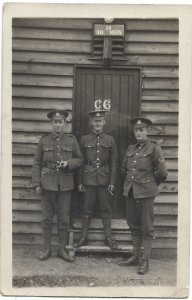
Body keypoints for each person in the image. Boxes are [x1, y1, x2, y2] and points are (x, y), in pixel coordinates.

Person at [32, 109, 83, 262]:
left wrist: (68, 163)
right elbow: (37, 163)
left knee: (63, 218)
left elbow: (80, 159)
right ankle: (47, 249)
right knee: (47, 218)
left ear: (65, 123)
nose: (58, 125)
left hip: (65, 184)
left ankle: (61, 249)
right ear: (51, 123)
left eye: (60, 122)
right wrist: (36, 183)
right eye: (55, 122)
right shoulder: (44, 140)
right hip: (47, 184)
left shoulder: (71, 140)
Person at [119, 117, 168, 274]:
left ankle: (145, 261)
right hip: (131, 191)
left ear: (146, 131)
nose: (139, 133)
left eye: (141, 130)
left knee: (147, 227)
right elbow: (123, 170)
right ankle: (135, 256)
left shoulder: (154, 148)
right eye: (136, 130)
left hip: (146, 193)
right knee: (133, 225)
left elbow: (162, 172)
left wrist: (151, 185)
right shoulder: (131, 148)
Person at [75, 109, 118, 250]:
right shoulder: (84, 139)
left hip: (105, 180)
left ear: (104, 122)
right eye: (95, 121)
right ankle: (84, 237)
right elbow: (80, 161)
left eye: (100, 121)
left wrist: (112, 182)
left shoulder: (110, 139)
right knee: (87, 209)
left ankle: (108, 237)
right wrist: (80, 181)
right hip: (88, 179)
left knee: (106, 209)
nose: (97, 123)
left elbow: (114, 163)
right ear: (91, 122)